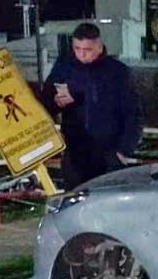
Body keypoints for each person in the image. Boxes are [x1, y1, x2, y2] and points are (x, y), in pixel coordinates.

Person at [41, 22, 142, 188]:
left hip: (108, 153)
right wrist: (56, 101)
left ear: (99, 47)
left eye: (87, 50)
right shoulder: (65, 67)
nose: (82, 55)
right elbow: (46, 100)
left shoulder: (117, 73)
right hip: (75, 153)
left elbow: (133, 114)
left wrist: (123, 151)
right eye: (77, 49)